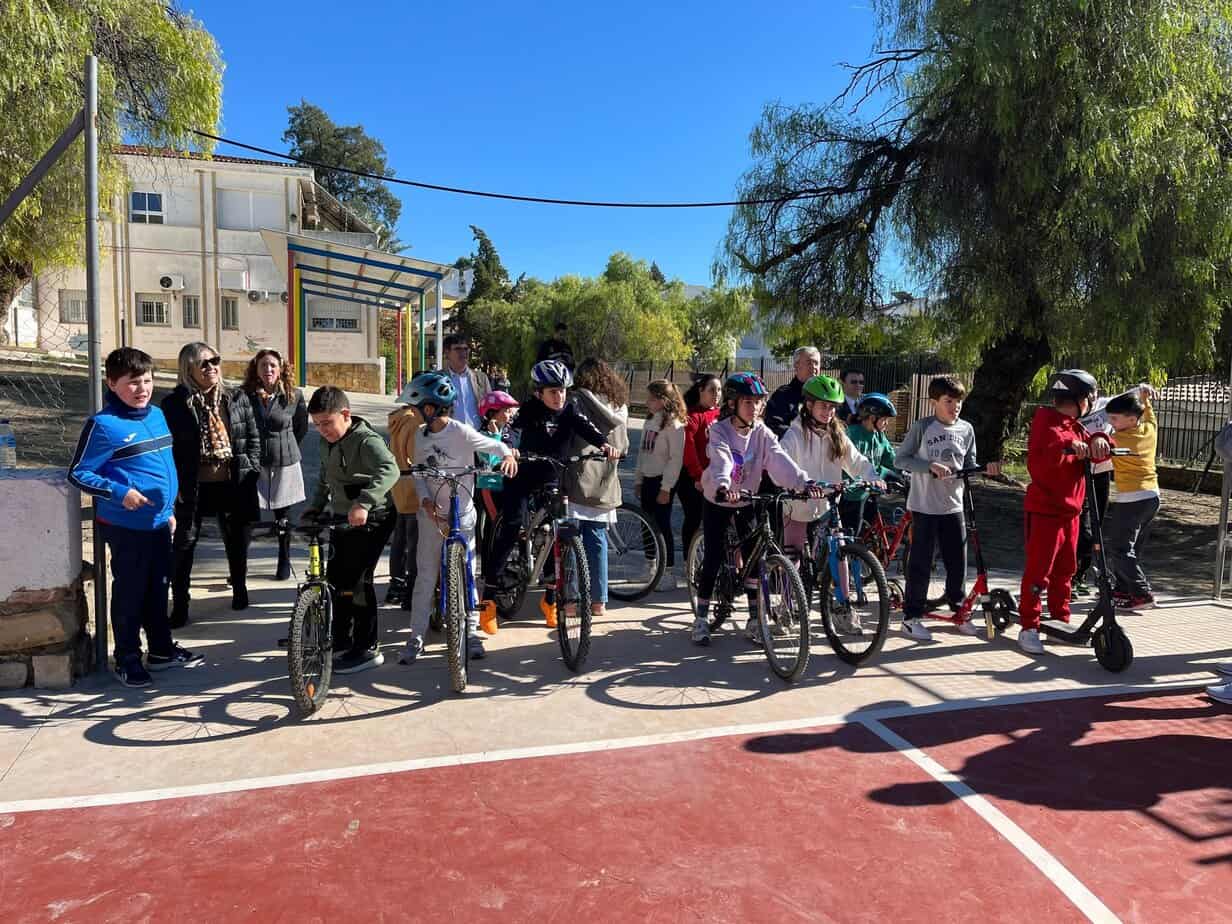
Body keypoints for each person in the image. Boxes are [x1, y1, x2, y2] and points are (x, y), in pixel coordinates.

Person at [68, 347, 203, 687]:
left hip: (159, 523)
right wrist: (119, 492)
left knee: (158, 589)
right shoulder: (103, 426)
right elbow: (79, 473)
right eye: (132, 382)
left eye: (147, 380)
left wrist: (169, 510)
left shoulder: (156, 415)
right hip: (127, 526)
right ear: (112, 383)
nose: (141, 388)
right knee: (131, 592)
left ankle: (160, 651)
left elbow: (164, 468)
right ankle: (127, 657)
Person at [478, 359, 615, 630]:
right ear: (539, 392)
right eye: (553, 391)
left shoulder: (570, 409)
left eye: (563, 390)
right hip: (523, 476)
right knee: (512, 525)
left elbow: (588, 427)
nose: (559, 396)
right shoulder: (528, 411)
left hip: (552, 479)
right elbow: (509, 433)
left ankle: (551, 600)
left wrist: (605, 445)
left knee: (558, 533)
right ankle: (489, 599)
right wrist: (509, 452)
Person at [692, 372, 819, 646]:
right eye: (748, 402)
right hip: (719, 498)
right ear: (733, 404)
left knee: (755, 557)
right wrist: (725, 485)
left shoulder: (761, 432)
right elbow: (722, 459)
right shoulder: (719, 429)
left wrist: (802, 482)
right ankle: (701, 618)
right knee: (713, 556)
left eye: (759, 402)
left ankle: (753, 620)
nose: (756, 408)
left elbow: (778, 459)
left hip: (748, 499)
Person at [398, 372, 516, 664]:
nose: (413, 413)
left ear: (430, 408)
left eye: (416, 408)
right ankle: (416, 636)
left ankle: (471, 632)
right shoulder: (420, 437)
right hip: (432, 517)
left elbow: (493, 445)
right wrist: (425, 500)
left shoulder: (461, 431)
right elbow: (421, 474)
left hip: (462, 515)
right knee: (425, 575)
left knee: (467, 574)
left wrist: (508, 455)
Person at [300, 386, 399, 674]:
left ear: (346, 414)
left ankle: (367, 647)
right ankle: (341, 639)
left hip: (374, 516)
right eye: (317, 425)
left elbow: (389, 469)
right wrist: (316, 506)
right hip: (343, 516)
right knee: (336, 579)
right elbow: (325, 476)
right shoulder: (326, 441)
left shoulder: (366, 441)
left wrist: (364, 503)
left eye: (327, 423)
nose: (323, 430)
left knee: (358, 580)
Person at [161, 341, 260, 624]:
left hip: (233, 482)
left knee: (237, 540)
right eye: (203, 363)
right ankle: (180, 604)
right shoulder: (174, 404)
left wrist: (251, 469)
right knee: (184, 545)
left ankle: (240, 589)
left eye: (214, 360)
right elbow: (168, 448)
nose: (211, 367)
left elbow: (253, 439)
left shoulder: (236, 398)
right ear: (187, 369)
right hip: (192, 486)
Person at [895, 375, 999, 643]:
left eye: (958, 401)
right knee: (920, 562)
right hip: (924, 506)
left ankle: (959, 609)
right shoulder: (922, 427)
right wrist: (928, 466)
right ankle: (911, 617)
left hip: (953, 506)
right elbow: (901, 459)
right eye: (949, 401)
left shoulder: (966, 429)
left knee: (957, 561)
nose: (955, 407)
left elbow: (970, 463)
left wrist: (985, 469)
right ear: (934, 403)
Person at [1017, 369, 1111, 655]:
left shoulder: (1076, 425)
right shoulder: (1047, 420)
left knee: (1065, 570)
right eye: (1090, 397)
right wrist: (1070, 445)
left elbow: (1097, 444)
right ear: (1080, 398)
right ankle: (1029, 626)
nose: (1092, 403)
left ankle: (1060, 619)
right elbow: (1049, 446)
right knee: (1038, 572)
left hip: (1070, 512)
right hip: (1046, 511)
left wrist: (1099, 441)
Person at [780, 375, 882, 632]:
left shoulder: (837, 433)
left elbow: (856, 460)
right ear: (809, 405)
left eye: (833, 407)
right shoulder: (795, 433)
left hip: (827, 504)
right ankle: (786, 605)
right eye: (823, 406)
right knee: (794, 556)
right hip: (799, 504)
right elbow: (783, 463)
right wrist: (800, 485)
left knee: (840, 551)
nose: (829, 411)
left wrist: (872, 477)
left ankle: (842, 608)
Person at [565, 359, 630, 614]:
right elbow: (623, 446)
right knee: (597, 540)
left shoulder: (576, 401)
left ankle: (570, 601)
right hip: (605, 479)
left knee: (571, 540)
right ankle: (598, 601)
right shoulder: (619, 405)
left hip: (579, 475)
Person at [242, 349, 308, 581]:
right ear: (256, 369)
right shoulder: (245, 395)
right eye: (263, 366)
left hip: (285, 463)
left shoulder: (294, 395)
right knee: (246, 515)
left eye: (272, 365)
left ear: (280, 368)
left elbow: (301, 428)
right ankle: (239, 565)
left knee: (284, 517)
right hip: (254, 463)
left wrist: (285, 447)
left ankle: (284, 559)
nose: (268, 370)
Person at [1105, 385, 1160, 610]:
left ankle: (1141, 593)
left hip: (1132, 498)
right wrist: (1145, 398)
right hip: (1152, 496)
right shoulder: (1149, 429)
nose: (1111, 423)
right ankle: (1123, 590)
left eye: (1115, 419)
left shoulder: (1119, 441)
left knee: (1119, 548)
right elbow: (1148, 413)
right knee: (1132, 548)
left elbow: (1098, 446)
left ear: (1130, 419)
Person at [634, 379, 686, 590]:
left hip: (662, 481)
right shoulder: (650, 421)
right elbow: (642, 453)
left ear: (663, 401)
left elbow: (676, 459)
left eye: (651, 398)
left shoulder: (674, 424)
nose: (647, 402)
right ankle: (650, 566)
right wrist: (638, 479)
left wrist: (666, 487)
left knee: (662, 525)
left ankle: (668, 572)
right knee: (645, 523)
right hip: (647, 478)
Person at [385, 389, 423, 610]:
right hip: (412, 483)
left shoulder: (397, 419)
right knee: (413, 541)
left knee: (400, 538)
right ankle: (409, 590)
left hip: (399, 483)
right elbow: (415, 456)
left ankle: (396, 585)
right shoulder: (413, 423)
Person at [679, 374, 722, 560]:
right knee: (694, 519)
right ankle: (690, 561)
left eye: (719, 390)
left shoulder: (722, 415)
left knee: (716, 521)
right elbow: (688, 449)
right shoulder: (693, 416)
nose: (716, 394)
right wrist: (698, 476)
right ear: (701, 391)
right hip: (693, 479)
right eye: (712, 390)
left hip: (717, 477)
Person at [845, 393, 900, 530]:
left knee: (872, 529)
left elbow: (892, 459)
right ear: (871, 418)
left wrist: (905, 471)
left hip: (871, 490)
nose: (887, 423)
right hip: (851, 496)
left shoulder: (879, 436)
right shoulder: (852, 434)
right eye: (884, 419)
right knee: (853, 533)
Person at [476, 390, 520, 558]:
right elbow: (490, 458)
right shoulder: (482, 434)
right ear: (492, 413)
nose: (509, 414)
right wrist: (494, 436)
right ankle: (488, 569)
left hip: (505, 485)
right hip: (489, 486)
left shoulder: (507, 432)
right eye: (506, 411)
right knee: (493, 526)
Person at [764, 346, 822, 437]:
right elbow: (774, 425)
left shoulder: (823, 395)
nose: (814, 367)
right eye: (809, 362)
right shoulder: (783, 395)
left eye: (816, 363)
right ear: (796, 365)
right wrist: (803, 436)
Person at [442, 334, 491, 430]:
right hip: (449, 437)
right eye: (458, 349)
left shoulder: (481, 378)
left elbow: (490, 408)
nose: (463, 352)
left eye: (465, 349)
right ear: (447, 353)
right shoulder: (439, 379)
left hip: (477, 435)